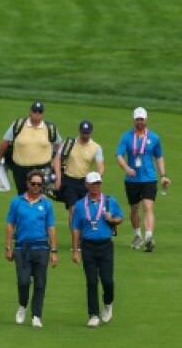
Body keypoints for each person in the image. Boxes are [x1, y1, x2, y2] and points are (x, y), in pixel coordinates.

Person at [5, 170, 59, 328]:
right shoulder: (17, 202)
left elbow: (51, 228)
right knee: (23, 281)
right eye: (33, 184)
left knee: (40, 283)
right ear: (28, 184)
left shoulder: (46, 204)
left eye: (39, 184)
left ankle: (37, 315)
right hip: (22, 248)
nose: (36, 187)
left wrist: (54, 251)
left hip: (41, 247)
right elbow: (10, 224)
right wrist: (8, 246)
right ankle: (22, 305)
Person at [69, 172, 124, 327]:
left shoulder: (109, 201)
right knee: (91, 281)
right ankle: (93, 314)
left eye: (98, 183)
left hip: (105, 245)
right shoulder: (80, 205)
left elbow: (120, 217)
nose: (95, 187)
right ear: (87, 185)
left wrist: (112, 219)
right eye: (92, 184)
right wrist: (75, 250)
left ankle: (108, 303)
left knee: (107, 280)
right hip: (88, 246)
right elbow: (75, 228)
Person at [116, 107, 169, 252]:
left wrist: (163, 175)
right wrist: (126, 168)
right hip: (132, 179)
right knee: (134, 208)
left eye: (142, 119)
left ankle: (149, 237)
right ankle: (137, 234)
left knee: (148, 206)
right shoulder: (126, 137)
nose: (140, 122)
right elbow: (119, 155)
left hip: (149, 178)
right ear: (134, 120)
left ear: (146, 119)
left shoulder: (154, 137)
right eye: (137, 119)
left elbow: (159, 156)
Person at [0, 101, 62, 195]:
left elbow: (59, 147)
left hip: (42, 169)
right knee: (23, 195)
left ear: (43, 114)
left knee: (40, 196)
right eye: (35, 111)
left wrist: (55, 162)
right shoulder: (19, 124)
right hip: (21, 170)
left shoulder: (50, 128)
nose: (37, 114)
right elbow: (5, 142)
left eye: (40, 112)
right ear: (30, 112)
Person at [59, 120, 105, 210]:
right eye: (83, 133)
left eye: (87, 133)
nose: (85, 135)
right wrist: (58, 177)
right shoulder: (69, 143)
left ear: (91, 132)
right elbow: (58, 158)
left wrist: (96, 180)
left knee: (84, 209)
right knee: (73, 208)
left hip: (85, 182)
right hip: (69, 180)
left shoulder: (96, 147)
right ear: (79, 131)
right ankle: (73, 225)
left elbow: (101, 166)